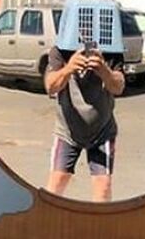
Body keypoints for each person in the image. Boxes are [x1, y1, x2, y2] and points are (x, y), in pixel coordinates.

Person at [44, 35, 125, 203]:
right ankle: (47, 223)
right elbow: (50, 86)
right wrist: (69, 68)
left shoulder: (112, 50)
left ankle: (99, 226)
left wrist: (104, 70)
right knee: (55, 185)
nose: (87, 34)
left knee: (103, 188)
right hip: (67, 131)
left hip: (102, 130)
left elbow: (118, 87)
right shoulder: (60, 50)